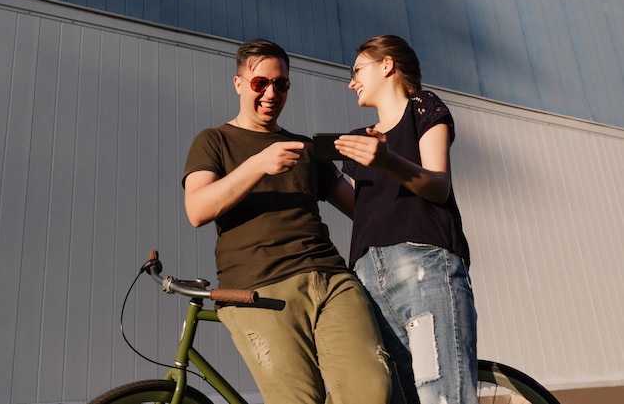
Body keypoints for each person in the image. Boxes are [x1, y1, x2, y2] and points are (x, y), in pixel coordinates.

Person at [181, 38, 392, 404]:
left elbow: (363, 209)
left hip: (331, 279)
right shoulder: (214, 141)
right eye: (260, 83)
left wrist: (387, 161)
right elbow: (197, 209)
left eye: (281, 84)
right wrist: (258, 165)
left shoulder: (303, 146)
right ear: (239, 85)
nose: (271, 93)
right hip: (259, 289)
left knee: (372, 392)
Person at [334, 35, 479, 404]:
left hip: (423, 262)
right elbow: (362, 209)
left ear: (387, 65)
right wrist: (319, 179)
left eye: (357, 70)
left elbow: (438, 185)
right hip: (368, 274)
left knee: (441, 393)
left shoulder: (423, 108)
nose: (352, 82)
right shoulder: (359, 139)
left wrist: (385, 161)